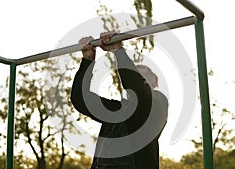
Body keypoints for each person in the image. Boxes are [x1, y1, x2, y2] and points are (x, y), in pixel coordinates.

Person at [71, 31, 168, 169]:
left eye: (143, 75)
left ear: (153, 85)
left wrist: (118, 51)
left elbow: (138, 89)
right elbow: (80, 99)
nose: (137, 74)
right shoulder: (117, 110)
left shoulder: (158, 104)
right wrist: (88, 61)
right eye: (135, 71)